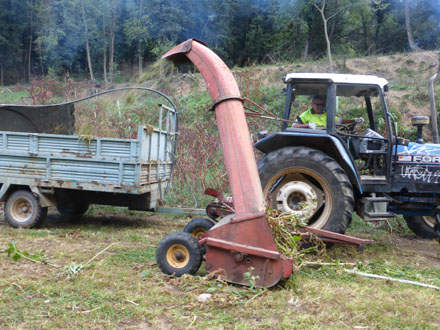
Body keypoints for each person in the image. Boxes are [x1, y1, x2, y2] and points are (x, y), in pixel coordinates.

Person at [292, 95, 358, 129]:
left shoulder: (326, 114)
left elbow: (339, 121)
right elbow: (294, 126)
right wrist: (308, 125)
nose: (320, 107)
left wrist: (353, 120)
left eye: (321, 105)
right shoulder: (306, 115)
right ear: (312, 104)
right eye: (317, 104)